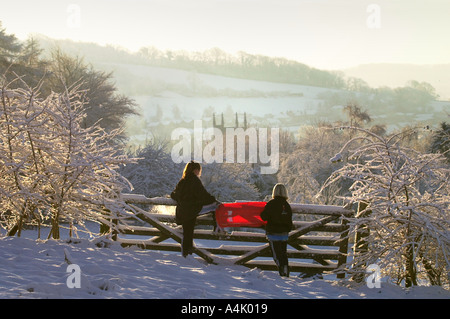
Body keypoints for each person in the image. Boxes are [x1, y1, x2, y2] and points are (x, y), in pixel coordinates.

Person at [171, 161, 217, 257]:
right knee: (189, 234)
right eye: (198, 170)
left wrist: (182, 201)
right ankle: (188, 255)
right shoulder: (194, 181)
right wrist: (214, 200)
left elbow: (173, 195)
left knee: (186, 234)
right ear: (194, 170)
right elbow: (203, 195)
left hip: (182, 211)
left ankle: (186, 255)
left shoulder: (182, 181)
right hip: (191, 211)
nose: (199, 172)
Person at [260, 183, 293, 277]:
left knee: (277, 255)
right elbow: (289, 218)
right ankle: (285, 269)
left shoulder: (271, 204)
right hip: (284, 233)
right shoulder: (286, 205)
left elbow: (264, 217)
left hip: (273, 232)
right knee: (283, 253)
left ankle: (282, 271)